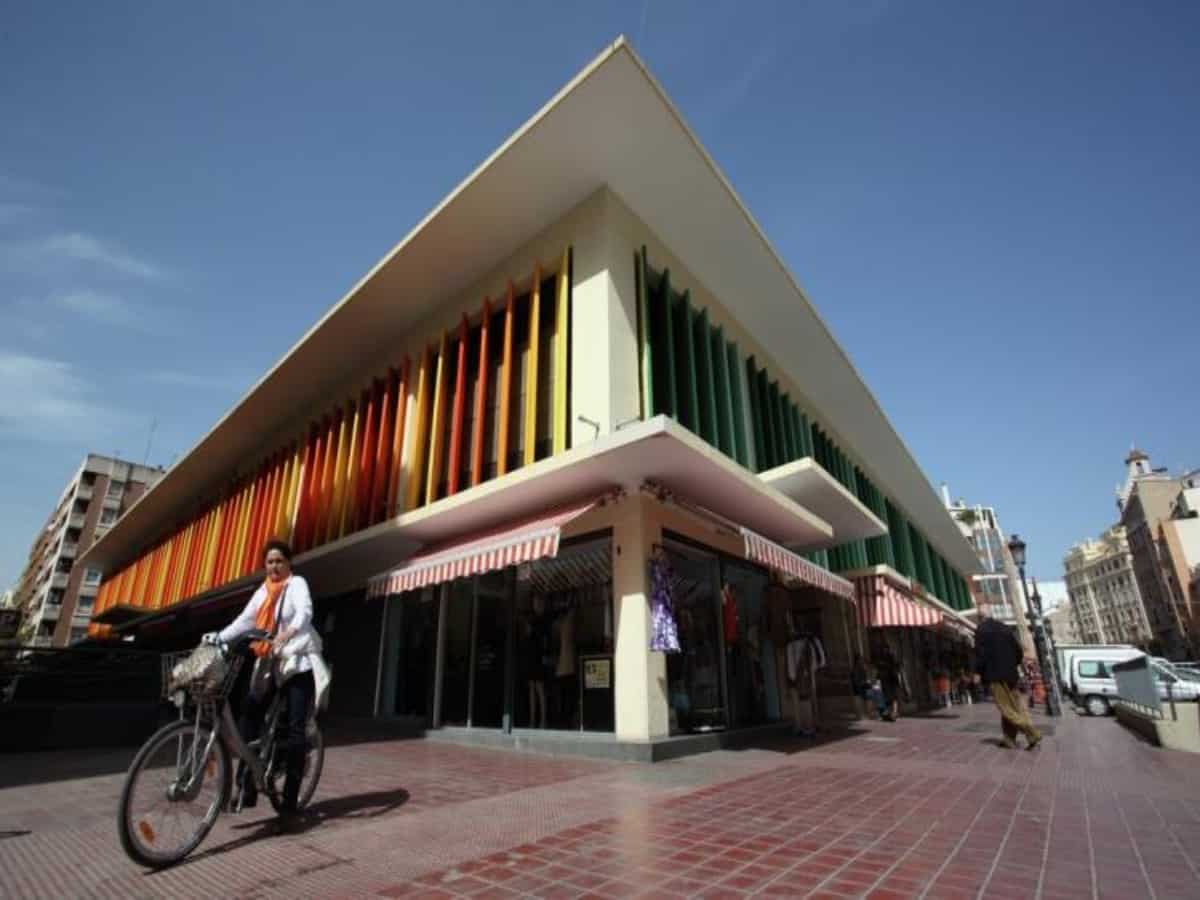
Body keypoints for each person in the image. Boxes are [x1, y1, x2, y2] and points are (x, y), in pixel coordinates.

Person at [213, 539, 330, 825]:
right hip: (270, 661)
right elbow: (244, 621)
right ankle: (248, 786)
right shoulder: (263, 591)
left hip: (296, 661)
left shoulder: (297, 584)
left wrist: (287, 633)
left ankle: (290, 803)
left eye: (279, 561)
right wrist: (217, 638)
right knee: (250, 713)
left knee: (294, 729)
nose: (274, 566)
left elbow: (304, 612)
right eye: (269, 562)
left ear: (288, 564)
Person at [975, 614, 1041, 750]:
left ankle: (1031, 732)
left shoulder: (982, 630)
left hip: (994, 674)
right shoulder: (1005, 629)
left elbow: (980, 654)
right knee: (1012, 706)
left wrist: (977, 671)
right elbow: (1018, 652)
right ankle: (1009, 739)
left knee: (1006, 708)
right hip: (1011, 675)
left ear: (980, 618)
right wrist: (1011, 665)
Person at [876, 645, 901, 721]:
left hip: (889, 680)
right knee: (891, 698)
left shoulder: (887, 658)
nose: (885, 651)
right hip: (888, 680)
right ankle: (893, 713)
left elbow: (894, 669)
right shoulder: (887, 658)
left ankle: (893, 713)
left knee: (892, 698)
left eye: (885, 649)